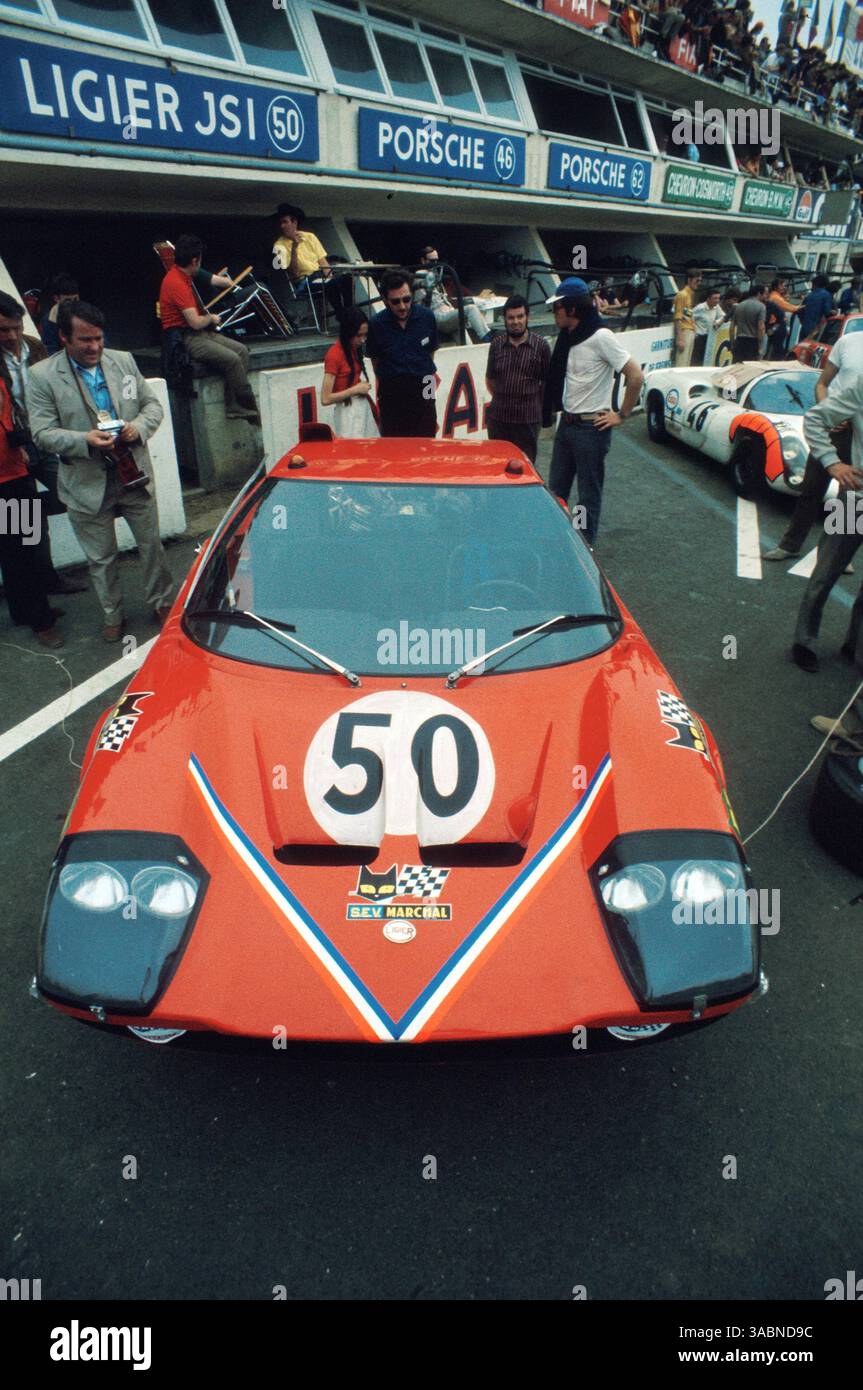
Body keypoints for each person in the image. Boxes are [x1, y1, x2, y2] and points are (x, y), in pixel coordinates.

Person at [26, 300, 174, 643]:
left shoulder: (123, 361)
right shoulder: (41, 375)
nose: (94, 347)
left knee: (152, 546)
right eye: (84, 340)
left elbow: (152, 405)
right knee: (101, 559)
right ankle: (113, 614)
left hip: (133, 473)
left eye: (98, 338)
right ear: (63, 337)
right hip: (84, 481)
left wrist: (138, 427)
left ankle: (162, 603)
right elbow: (41, 433)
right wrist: (84, 440)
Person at [543, 277, 644, 546]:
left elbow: (635, 376)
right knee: (557, 490)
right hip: (567, 425)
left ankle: (584, 545)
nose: (554, 313)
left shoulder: (601, 337)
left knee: (587, 495)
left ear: (573, 309)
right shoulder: (567, 337)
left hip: (591, 428)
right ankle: (559, 538)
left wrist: (621, 415)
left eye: (558, 308)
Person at [0, 291, 87, 595]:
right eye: (3, 330)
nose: (11, 336)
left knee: (75, 494)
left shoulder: (35, 347)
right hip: (11, 451)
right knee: (25, 524)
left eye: (15, 327)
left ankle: (47, 580)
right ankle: (41, 583)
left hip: (45, 440)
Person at [790, 373, 863, 676]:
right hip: (855, 498)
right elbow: (815, 419)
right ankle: (803, 642)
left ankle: (854, 644)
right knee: (827, 569)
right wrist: (832, 462)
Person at [766, 339, 859, 568]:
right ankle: (789, 545)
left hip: (859, 435)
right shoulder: (848, 343)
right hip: (833, 430)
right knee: (812, 488)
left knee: (849, 497)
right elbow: (822, 384)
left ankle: (838, 554)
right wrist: (827, 412)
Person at [159, 234, 259, 423]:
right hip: (184, 338)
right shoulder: (177, 283)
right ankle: (247, 407)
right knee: (232, 359)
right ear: (195, 260)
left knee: (242, 351)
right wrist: (211, 317)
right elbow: (195, 322)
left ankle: (233, 405)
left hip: (197, 333)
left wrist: (227, 283)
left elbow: (210, 279)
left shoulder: (183, 273)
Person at [0, 373, 62, 647]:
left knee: (24, 547)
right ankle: (42, 621)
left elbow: (9, 415)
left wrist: (20, 445)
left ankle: (25, 611)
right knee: (21, 551)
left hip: (14, 474)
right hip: (8, 478)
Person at [367, 269, 438, 438]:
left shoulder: (427, 317)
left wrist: (424, 382)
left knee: (427, 439)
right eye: (395, 302)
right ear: (385, 300)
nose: (402, 306)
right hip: (393, 390)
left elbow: (431, 352)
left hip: (425, 384)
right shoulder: (376, 324)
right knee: (395, 444)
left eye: (407, 299)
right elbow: (375, 362)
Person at [484, 295, 551, 464]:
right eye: (511, 318)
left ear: (527, 317)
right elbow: (490, 379)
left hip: (527, 421)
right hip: (499, 420)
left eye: (520, 316)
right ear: (505, 320)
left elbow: (546, 384)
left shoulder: (541, 346)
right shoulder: (496, 345)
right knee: (497, 467)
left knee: (524, 469)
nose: (516, 322)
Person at [272, 203, 352, 321]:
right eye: (280, 223)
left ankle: (349, 313)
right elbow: (294, 273)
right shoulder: (279, 245)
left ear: (294, 223)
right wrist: (294, 247)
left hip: (320, 275)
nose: (282, 226)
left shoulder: (309, 237)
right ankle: (341, 315)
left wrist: (330, 276)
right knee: (330, 284)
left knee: (346, 278)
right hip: (303, 282)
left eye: (285, 222)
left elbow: (323, 261)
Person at [413, 247, 492, 343]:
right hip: (437, 316)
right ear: (423, 260)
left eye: (437, 260)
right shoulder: (420, 276)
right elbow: (420, 305)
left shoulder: (435, 275)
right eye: (432, 261)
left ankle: (481, 349)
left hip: (448, 313)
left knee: (467, 345)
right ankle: (488, 339)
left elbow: (445, 298)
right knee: (471, 309)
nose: (436, 263)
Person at [321, 307, 379, 439]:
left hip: (361, 408)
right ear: (348, 332)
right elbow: (325, 398)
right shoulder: (334, 355)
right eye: (359, 335)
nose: (363, 340)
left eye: (365, 335)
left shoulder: (353, 348)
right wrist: (355, 389)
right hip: (347, 413)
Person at [40, 273, 79, 355]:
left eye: (75, 299)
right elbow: (50, 349)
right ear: (56, 298)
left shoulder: (88, 314)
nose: (72, 304)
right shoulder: (49, 320)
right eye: (68, 300)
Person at [765, 277, 801, 360]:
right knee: (776, 349)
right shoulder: (775, 297)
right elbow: (791, 308)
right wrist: (801, 307)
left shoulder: (777, 297)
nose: (784, 287)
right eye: (782, 285)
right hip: (775, 326)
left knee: (776, 348)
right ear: (776, 287)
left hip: (776, 326)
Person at [672, 269, 702, 366]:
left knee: (686, 362)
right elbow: (678, 317)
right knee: (681, 362)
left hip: (690, 330)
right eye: (696, 280)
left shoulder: (689, 295)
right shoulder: (682, 295)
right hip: (684, 331)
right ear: (689, 280)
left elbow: (687, 314)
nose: (698, 283)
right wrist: (680, 338)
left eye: (700, 281)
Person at [730, 283, 767, 362]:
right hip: (752, 343)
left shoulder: (739, 306)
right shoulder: (761, 307)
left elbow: (732, 327)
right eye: (764, 294)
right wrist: (761, 346)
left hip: (739, 341)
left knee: (736, 369)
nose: (765, 296)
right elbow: (761, 327)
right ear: (759, 293)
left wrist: (732, 343)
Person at [691, 288, 727, 367]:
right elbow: (689, 317)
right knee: (696, 361)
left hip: (709, 337)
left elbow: (723, 316)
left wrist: (717, 322)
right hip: (699, 338)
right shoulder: (700, 308)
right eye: (715, 298)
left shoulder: (716, 307)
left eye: (718, 298)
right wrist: (693, 330)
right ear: (708, 299)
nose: (717, 300)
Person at [798, 274, 834, 342]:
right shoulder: (826, 295)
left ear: (815, 284)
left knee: (801, 347)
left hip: (804, 328)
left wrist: (804, 322)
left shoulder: (809, 296)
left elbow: (800, 311)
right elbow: (826, 312)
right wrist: (833, 312)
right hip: (816, 329)